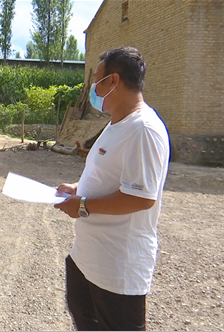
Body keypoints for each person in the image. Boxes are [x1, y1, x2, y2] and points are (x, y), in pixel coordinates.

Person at [54, 47, 170, 331]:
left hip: (118, 266)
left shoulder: (143, 129)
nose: (93, 87)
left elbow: (141, 198)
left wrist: (82, 206)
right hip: (89, 258)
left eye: (97, 79)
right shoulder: (116, 123)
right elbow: (107, 175)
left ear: (113, 82)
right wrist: (77, 187)